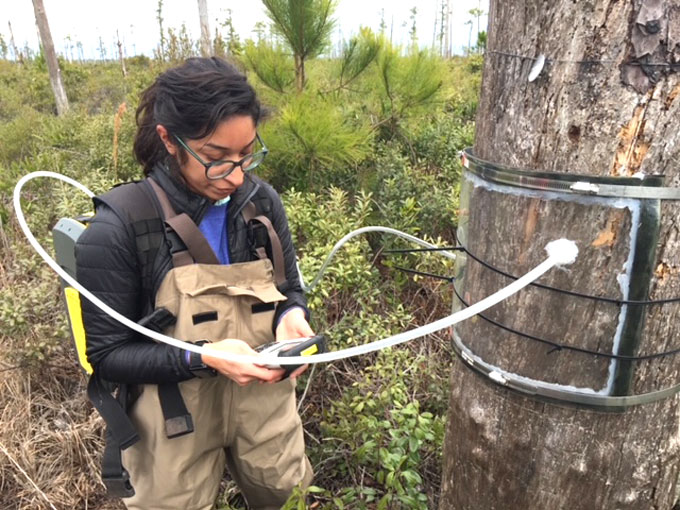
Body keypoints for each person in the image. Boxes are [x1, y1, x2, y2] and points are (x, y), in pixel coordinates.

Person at [75, 57, 314, 510]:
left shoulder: (261, 205)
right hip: (171, 419)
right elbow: (107, 356)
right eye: (218, 159)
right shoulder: (122, 227)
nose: (238, 175)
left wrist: (292, 317)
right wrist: (202, 356)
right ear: (169, 139)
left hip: (265, 407)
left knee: (291, 499)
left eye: (246, 153)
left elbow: (290, 289)